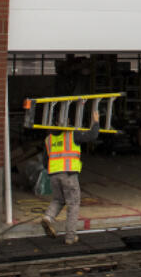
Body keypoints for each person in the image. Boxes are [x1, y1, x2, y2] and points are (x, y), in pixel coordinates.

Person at [41, 105, 100, 245]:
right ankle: (70, 237)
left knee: (58, 199)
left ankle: (48, 218)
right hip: (68, 174)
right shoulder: (72, 134)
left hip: (54, 175)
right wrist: (95, 122)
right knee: (73, 204)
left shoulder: (48, 139)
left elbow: (44, 161)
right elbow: (92, 135)